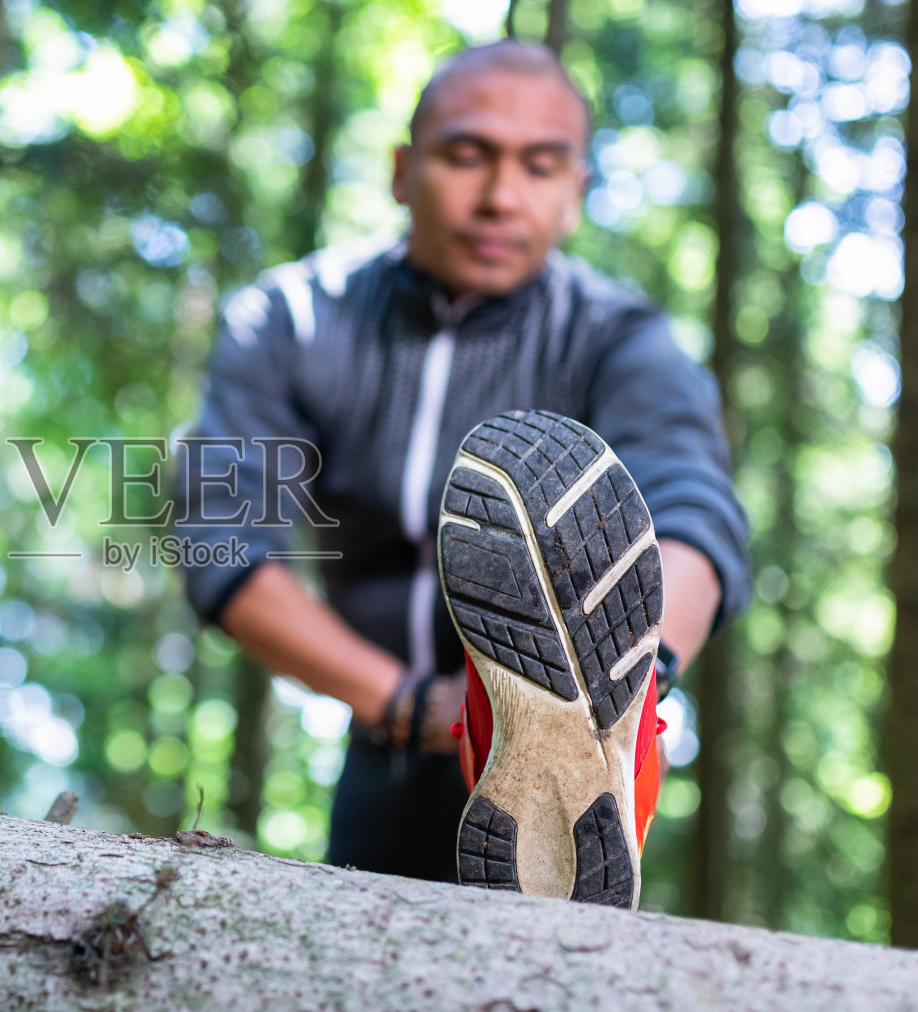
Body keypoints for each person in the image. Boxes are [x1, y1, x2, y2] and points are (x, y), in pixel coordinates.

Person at [171, 39, 749, 903]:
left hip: (578, 771)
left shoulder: (622, 338)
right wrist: (412, 706)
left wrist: (632, 677)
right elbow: (221, 542)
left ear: (577, 194)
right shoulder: (288, 320)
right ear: (404, 170)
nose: (499, 197)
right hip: (388, 745)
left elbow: (695, 514)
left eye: (540, 166)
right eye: (466, 155)